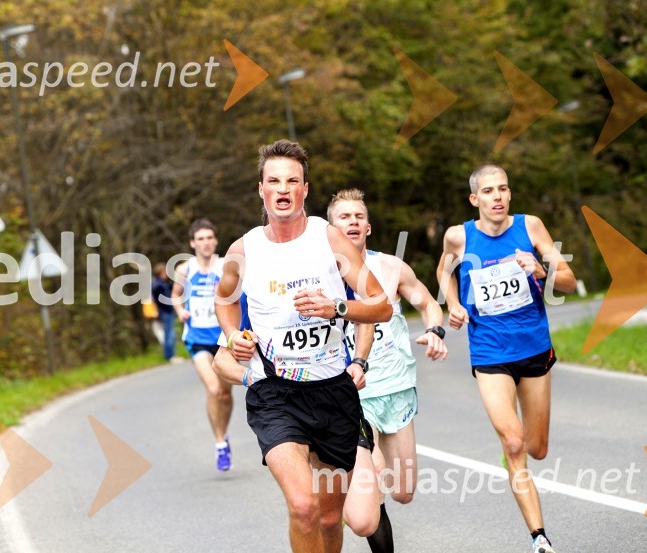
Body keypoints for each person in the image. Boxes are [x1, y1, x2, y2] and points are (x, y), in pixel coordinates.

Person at [213, 139, 392, 553]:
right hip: (275, 393)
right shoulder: (244, 250)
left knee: (330, 518)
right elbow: (224, 298)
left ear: (305, 189)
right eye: (274, 180)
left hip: (332, 392)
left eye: (292, 181)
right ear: (261, 189)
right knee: (303, 506)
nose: (283, 189)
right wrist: (233, 335)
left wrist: (336, 307)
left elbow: (380, 304)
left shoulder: (327, 239)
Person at [436, 165, 576, 553]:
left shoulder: (531, 227)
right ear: (474, 199)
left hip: (533, 349)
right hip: (489, 352)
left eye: (503, 189)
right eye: (488, 191)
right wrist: (453, 304)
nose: (497, 196)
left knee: (536, 448)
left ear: (509, 195)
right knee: (514, 443)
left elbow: (569, 282)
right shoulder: (458, 237)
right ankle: (540, 538)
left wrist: (541, 268)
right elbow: (443, 271)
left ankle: (513, 450)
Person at [327, 189, 448, 553]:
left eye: (358, 216)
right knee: (374, 477)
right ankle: (355, 502)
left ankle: (356, 497)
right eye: (343, 217)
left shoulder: (391, 268)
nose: (352, 222)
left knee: (403, 491)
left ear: (369, 228)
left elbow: (428, 303)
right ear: (331, 229)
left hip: (396, 389)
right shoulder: (321, 276)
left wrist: (435, 330)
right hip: (353, 395)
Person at [171, 218, 234, 471]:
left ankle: (224, 433)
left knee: (227, 394)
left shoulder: (226, 266)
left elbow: (238, 297)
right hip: (197, 338)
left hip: (224, 339)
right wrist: (179, 312)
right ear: (192, 243)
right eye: (201, 239)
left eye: (210, 238)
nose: (206, 243)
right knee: (214, 389)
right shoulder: (185, 269)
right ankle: (220, 444)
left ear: (215, 240)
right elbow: (176, 294)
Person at [151, 262, 183, 363]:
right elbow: (163, 299)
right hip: (165, 312)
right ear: (160, 272)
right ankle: (171, 355)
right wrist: (170, 307)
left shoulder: (159, 283)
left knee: (169, 333)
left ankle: (169, 355)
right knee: (169, 334)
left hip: (165, 311)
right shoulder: (158, 285)